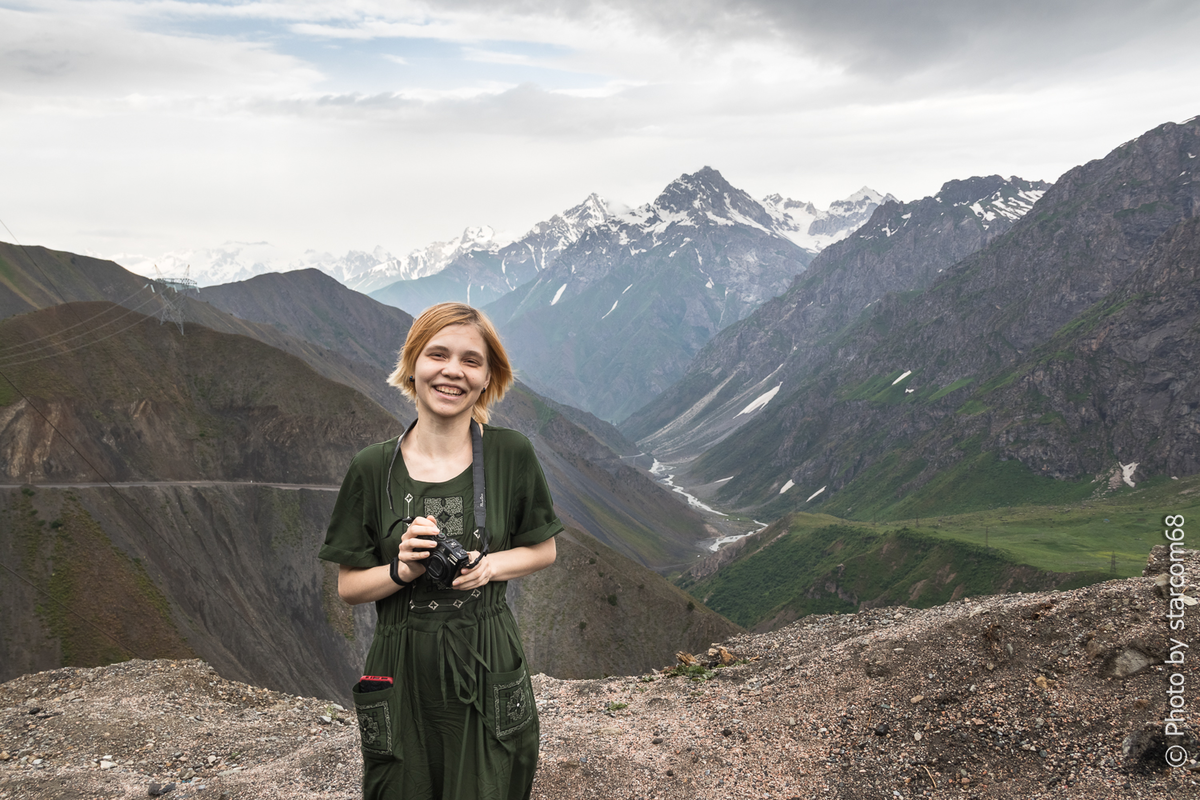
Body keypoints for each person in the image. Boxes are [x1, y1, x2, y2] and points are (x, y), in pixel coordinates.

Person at [319, 303, 562, 800]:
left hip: (487, 656)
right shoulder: (371, 467)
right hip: (400, 662)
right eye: (438, 354)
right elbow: (348, 586)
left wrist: (490, 566)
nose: (453, 371)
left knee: (490, 785)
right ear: (412, 364)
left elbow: (543, 548)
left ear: (488, 376)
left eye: (472, 361)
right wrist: (401, 569)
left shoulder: (511, 454)